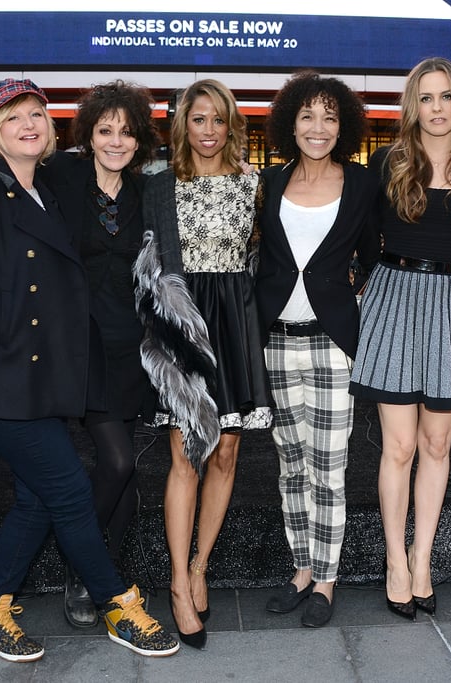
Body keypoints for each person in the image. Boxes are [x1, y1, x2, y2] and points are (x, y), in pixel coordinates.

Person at [0, 78, 178, 661]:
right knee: (69, 489)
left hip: (32, 382)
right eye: (12, 118)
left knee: (37, 499)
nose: (27, 124)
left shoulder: (44, 196)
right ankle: (117, 602)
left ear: (51, 128)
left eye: (36, 114)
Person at [349, 57, 451, 621]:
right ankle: (394, 562)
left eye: (445, 96)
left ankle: (423, 557)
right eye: (425, 98)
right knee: (400, 447)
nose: (436, 108)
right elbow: (361, 239)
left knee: (438, 447)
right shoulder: (387, 162)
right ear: (413, 106)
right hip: (394, 298)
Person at [135, 78, 272, 648]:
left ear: (231, 124)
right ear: (182, 125)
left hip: (235, 326)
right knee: (186, 455)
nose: (209, 131)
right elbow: (143, 263)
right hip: (182, 322)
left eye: (219, 120)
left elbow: (264, 260)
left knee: (228, 452)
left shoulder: (253, 184)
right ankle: (174, 581)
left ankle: (200, 565)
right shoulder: (157, 185)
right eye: (199, 120)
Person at [256, 72, 379, 628]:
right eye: (308, 116)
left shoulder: (360, 184)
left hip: (333, 344)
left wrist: (350, 301)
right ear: (291, 122)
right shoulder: (269, 181)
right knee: (290, 466)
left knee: (329, 467)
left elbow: (375, 258)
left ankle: (325, 581)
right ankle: (300, 570)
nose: (318, 127)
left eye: (330, 117)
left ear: (344, 125)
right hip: (275, 342)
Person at [40, 80, 160, 628]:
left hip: (129, 349)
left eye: (127, 132)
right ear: (87, 133)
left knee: (126, 474)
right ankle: (84, 569)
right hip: (75, 345)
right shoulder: (59, 176)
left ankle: (107, 576)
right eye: (105, 130)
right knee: (116, 461)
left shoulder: (145, 193)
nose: (116, 141)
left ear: (140, 139)